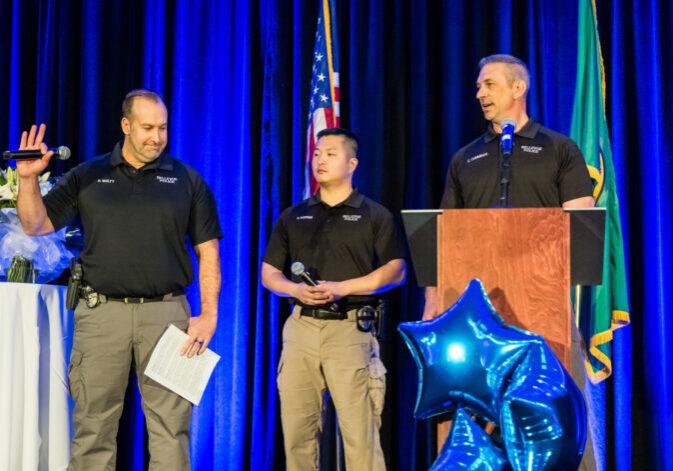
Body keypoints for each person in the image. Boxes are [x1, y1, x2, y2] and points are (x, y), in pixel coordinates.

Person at [16, 89, 222, 470]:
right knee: (93, 427)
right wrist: (28, 180)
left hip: (168, 316)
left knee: (171, 431)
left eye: (162, 128)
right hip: (101, 315)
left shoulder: (186, 180)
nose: (156, 137)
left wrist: (208, 314)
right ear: (126, 125)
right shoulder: (88, 176)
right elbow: (34, 225)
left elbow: (208, 251)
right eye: (147, 128)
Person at [423, 54, 597, 470]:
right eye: (479, 86)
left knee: (556, 410)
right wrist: (432, 301)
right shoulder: (466, 158)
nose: (479, 93)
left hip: (544, 305)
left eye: (489, 84)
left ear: (519, 88)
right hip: (475, 310)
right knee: (472, 414)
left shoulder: (558, 149)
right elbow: (444, 235)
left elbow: (583, 225)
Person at [261, 127, 406, 471]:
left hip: (350, 330)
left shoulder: (373, 215)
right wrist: (295, 289)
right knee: (297, 435)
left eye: (330, 153)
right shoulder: (294, 216)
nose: (320, 160)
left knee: (360, 436)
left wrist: (344, 287)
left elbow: (396, 270)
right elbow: (269, 273)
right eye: (316, 153)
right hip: (301, 329)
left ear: (352, 163)